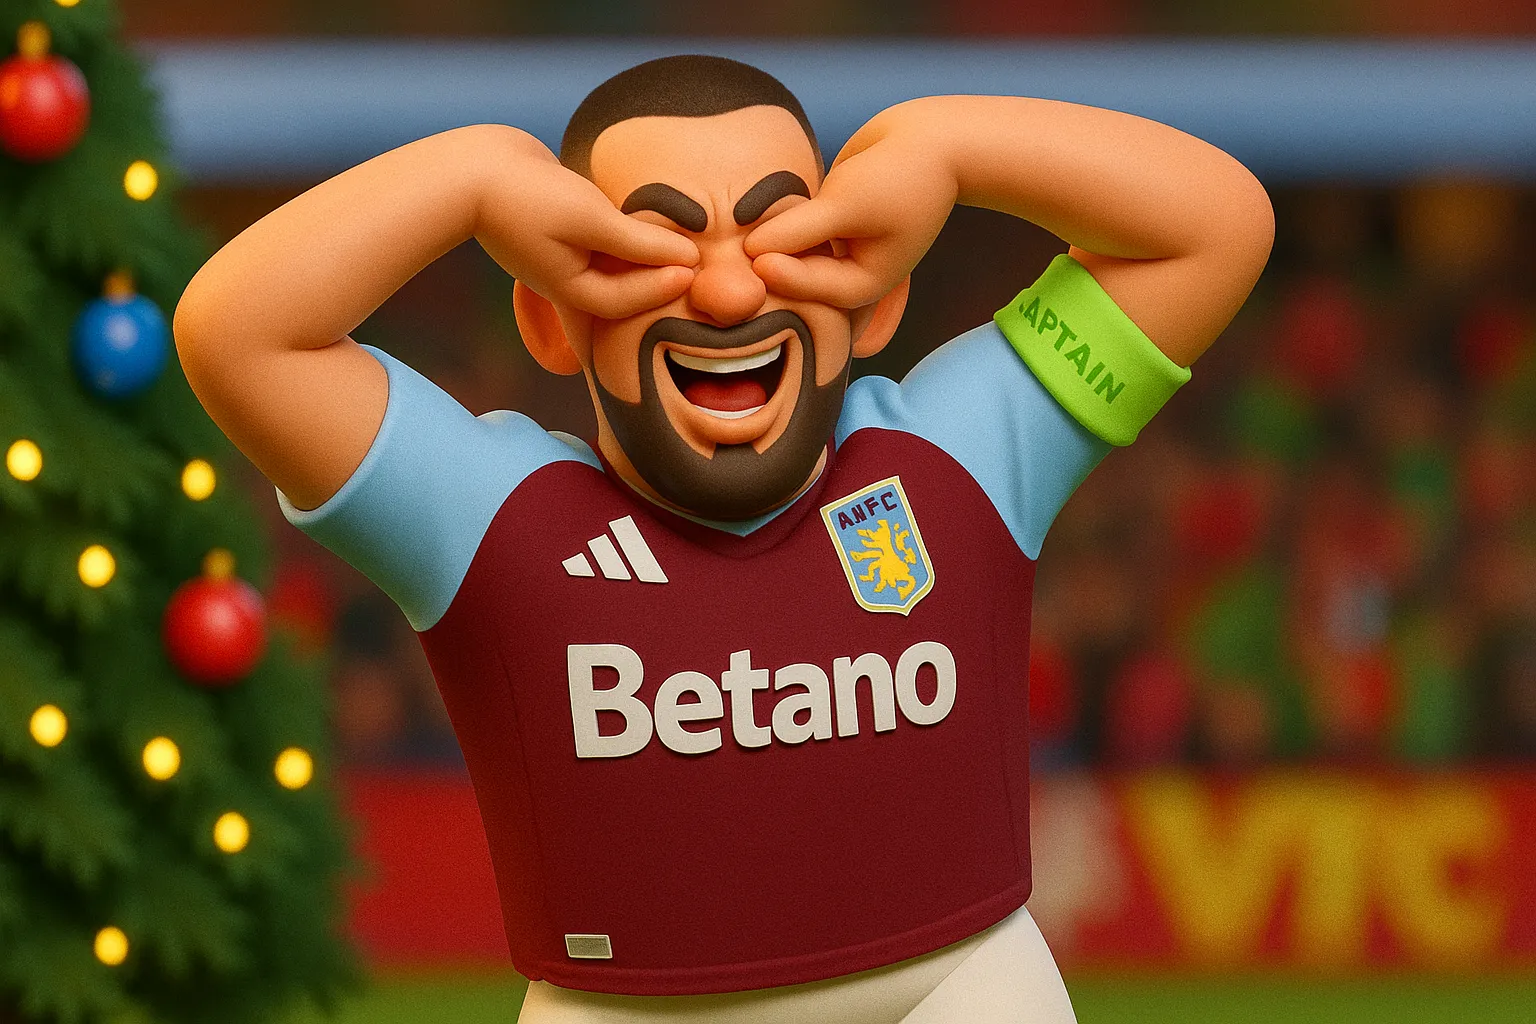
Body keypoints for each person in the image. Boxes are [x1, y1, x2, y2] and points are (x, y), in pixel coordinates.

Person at [175, 55, 1271, 1024]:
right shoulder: (487, 517)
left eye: (785, 236)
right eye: (648, 247)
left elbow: (1214, 227)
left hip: (965, 986)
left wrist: (941, 144)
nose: (731, 289)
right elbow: (237, 334)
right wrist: (475, 175)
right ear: (553, 317)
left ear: (874, 295)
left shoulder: (964, 452)